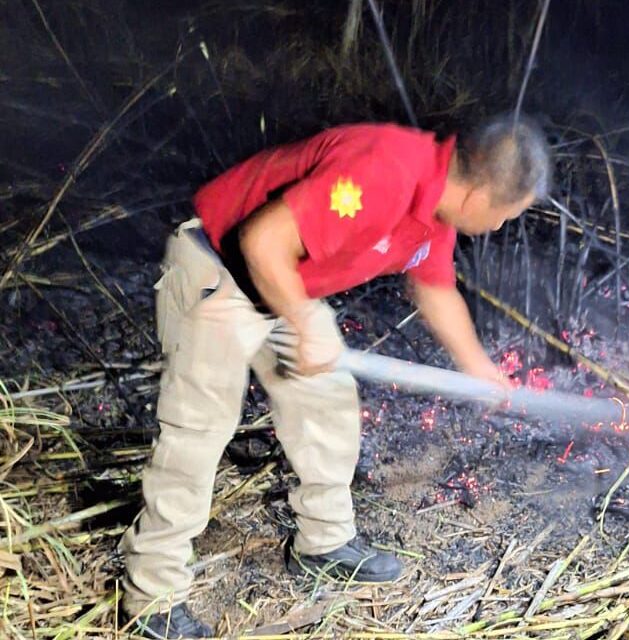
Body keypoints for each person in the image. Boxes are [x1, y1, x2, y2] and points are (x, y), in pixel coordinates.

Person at [119, 114, 551, 638]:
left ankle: (322, 544)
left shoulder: (436, 208)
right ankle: (152, 597)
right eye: (508, 214)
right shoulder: (383, 171)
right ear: (479, 193)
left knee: (328, 402)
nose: (503, 225)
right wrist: (304, 321)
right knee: (198, 429)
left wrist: (478, 368)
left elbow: (435, 287)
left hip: (281, 287)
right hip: (221, 272)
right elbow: (262, 240)